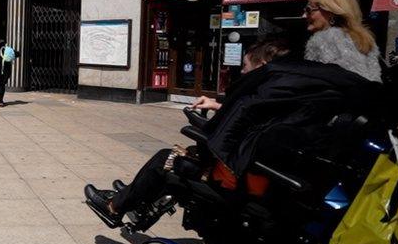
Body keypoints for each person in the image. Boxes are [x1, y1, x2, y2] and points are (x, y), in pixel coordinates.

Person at [85, 39, 298, 224]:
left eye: (245, 66)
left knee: (166, 159)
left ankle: (114, 207)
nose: (242, 71)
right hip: (260, 178)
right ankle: (135, 195)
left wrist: (205, 127)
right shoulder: (287, 97)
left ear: (262, 66)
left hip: (238, 181)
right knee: (182, 154)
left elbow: (231, 132)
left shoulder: (262, 97)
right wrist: (217, 106)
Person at [303, 0, 382, 82]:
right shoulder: (364, 38)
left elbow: (321, 82)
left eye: (308, 9)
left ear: (330, 11)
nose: (304, 15)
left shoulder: (324, 39)